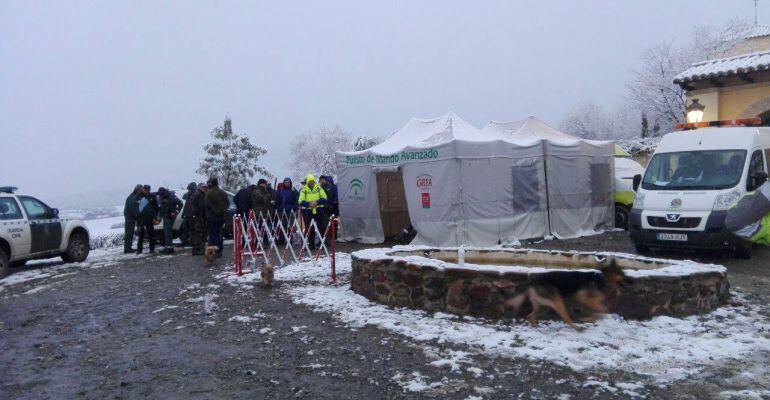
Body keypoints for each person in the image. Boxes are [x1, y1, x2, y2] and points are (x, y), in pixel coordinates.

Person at [298, 174, 327, 250]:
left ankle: (322, 243)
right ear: (307, 182)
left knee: (321, 227)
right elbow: (300, 201)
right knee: (310, 228)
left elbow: (324, 197)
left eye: (312, 181)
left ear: (314, 181)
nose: (311, 182)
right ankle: (312, 244)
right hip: (308, 211)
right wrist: (309, 204)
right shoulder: (304, 189)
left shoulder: (318, 188)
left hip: (319, 210)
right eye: (310, 181)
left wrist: (317, 202)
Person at [204, 177, 229, 257]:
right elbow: (227, 204)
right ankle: (219, 251)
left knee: (212, 235)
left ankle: (212, 252)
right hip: (221, 217)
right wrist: (222, 211)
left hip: (212, 217)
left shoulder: (209, 193)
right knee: (220, 234)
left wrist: (215, 211)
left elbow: (207, 204)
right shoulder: (223, 193)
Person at [158, 187, 183, 254]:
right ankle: (168, 246)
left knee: (168, 231)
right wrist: (160, 215)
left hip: (170, 216)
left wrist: (176, 212)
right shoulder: (161, 196)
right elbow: (161, 207)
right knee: (166, 232)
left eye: (162, 194)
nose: (161, 196)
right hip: (165, 216)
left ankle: (169, 247)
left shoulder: (171, 196)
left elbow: (180, 204)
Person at [275, 177, 299, 244]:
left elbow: (297, 201)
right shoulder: (281, 190)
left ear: (290, 183)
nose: (287, 183)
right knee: (283, 225)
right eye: (285, 182)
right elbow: (278, 199)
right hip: (282, 210)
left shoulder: (293, 190)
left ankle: (290, 239)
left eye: (288, 182)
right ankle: (281, 239)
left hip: (291, 210)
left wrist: (293, 207)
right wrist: (279, 207)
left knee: (291, 225)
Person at [136, 185, 159, 254]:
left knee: (151, 234)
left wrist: (154, 217)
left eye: (147, 190)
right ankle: (139, 250)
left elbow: (156, 208)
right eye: (145, 189)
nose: (146, 191)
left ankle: (152, 249)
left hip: (149, 218)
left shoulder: (152, 197)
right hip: (141, 218)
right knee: (141, 234)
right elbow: (136, 207)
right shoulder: (139, 196)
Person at [123, 184, 142, 254]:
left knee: (129, 232)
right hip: (129, 218)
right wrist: (138, 215)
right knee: (129, 233)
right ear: (138, 190)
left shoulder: (133, 196)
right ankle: (127, 249)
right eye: (140, 190)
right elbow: (134, 208)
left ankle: (128, 247)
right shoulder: (133, 198)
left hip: (130, 217)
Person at [190, 182, 208, 255]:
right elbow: (202, 207)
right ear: (200, 187)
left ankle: (197, 249)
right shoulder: (199, 195)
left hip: (199, 217)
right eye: (204, 187)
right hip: (199, 218)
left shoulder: (200, 194)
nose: (205, 189)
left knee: (199, 234)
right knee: (199, 234)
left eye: (206, 187)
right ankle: (199, 249)